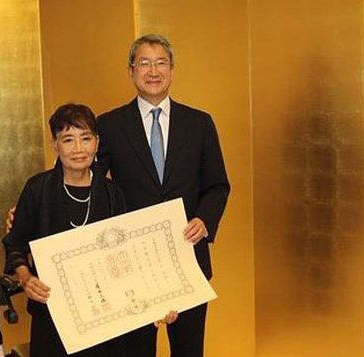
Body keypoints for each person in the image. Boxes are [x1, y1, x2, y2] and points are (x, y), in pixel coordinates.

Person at [95, 34, 230, 357]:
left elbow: (217, 184)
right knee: (136, 351)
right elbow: (87, 183)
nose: (153, 71)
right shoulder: (109, 125)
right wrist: (34, 205)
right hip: (131, 263)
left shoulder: (199, 123)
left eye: (161, 63)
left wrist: (204, 219)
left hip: (187, 256)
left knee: (188, 350)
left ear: (172, 69)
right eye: (144, 63)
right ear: (131, 71)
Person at [2, 104, 130, 357]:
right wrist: (26, 279)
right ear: (55, 145)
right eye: (68, 140)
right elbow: (14, 243)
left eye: (86, 138)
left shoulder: (112, 192)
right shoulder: (38, 189)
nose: (79, 149)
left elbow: (125, 252)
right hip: (52, 310)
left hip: (105, 311)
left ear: (97, 142)